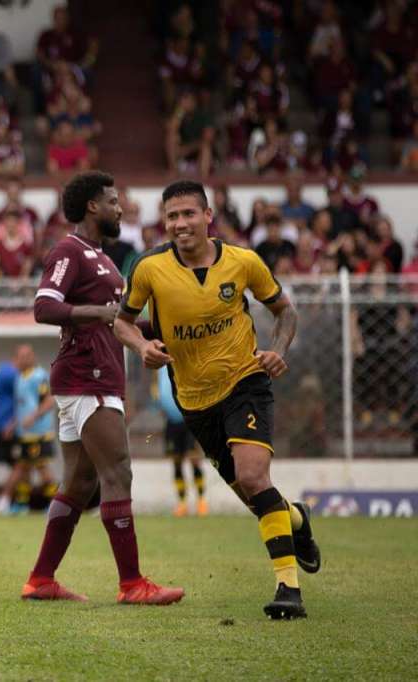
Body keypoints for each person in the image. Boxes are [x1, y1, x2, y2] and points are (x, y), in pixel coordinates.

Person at [113, 179, 322, 619]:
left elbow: (285, 309)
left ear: (208, 216)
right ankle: (297, 520)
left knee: (252, 477)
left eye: (189, 213)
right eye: (172, 216)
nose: (180, 223)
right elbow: (122, 322)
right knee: (254, 496)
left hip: (245, 380)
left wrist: (278, 351)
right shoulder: (149, 269)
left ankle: (289, 589)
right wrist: (142, 347)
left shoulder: (244, 261)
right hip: (193, 399)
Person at [22, 171, 184, 605]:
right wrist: (101, 312)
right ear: (93, 206)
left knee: (78, 485)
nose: (120, 208)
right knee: (118, 474)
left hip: (94, 375)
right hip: (87, 377)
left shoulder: (104, 259)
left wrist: (167, 328)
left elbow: (119, 320)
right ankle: (132, 584)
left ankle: (40, 579)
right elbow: (44, 306)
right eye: (113, 201)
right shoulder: (68, 250)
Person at [0, 344, 58, 514]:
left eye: (27, 355)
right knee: (24, 467)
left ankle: (55, 505)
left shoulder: (39, 376)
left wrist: (33, 416)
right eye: (21, 356)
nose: (24, 359)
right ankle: (22, 504)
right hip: (25, 433)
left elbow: (49, 400)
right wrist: (13, 424)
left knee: (42, 467)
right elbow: (22, 405)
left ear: (33, 357)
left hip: (39, 432)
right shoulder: (20, 377)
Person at [157, 366, 206, 516]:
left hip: (190, 418)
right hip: (171, 422)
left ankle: (201, 502)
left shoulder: (185, 354)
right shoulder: (159, 364)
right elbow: (158, 388)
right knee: (176, 462)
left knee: (194, 460)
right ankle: (182, 503)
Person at [0, 351, 20, 512]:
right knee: (21, 464)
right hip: (6, 426)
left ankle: (20, 502)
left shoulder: (0, 370)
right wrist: (13, 423)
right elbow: (23, 399)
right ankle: (4, 500)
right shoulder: (13, 374)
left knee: (21, 464)